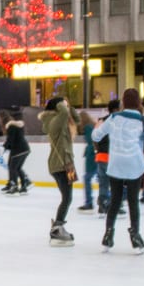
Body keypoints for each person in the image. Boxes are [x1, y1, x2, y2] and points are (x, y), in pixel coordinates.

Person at [93, 88, 144, 253]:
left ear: (123, 101)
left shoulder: (113, 118)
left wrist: (98, 126)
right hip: (134, 165)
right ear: (139, 102)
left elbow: (96, 136)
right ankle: (135, 237)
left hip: (116, 165)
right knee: (133, 201)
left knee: (115, 200)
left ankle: (108, 236)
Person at [40, 97, 80, 246]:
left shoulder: (61, 120)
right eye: (64, 104)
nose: (66, 106)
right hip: (59, 165)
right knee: (67, 197)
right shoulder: (53, 121)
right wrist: (63, 105)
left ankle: (58, 226)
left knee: (68, 197)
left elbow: (77, 119)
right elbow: (64, 113)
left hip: (68, 164)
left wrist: (70, 106)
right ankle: (57, 228)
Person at [94, 100, 121, 215]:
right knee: (116, 184)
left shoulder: (101, 121)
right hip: (113, 157)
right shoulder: (119, 121)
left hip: (101, 156)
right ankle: (113, 206)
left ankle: (102, 204)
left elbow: (95, 138)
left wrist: (98, 150)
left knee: (103, 182)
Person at [0, 109, 30, 195]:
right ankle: (24, 185)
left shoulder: (10, 126)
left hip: (19, 149)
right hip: (24, 149)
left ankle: (14, 186)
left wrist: (4, 147)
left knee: (13, 168)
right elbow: (12, 140)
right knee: (16, 168)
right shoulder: (15, 125)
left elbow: (10, 140)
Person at [78, 111, 98, 212]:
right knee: (102, 179)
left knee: (87, 178)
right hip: (96, 155)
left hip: (92, 156)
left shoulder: (87, 127)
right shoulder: (92, 125)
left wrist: (90, 153)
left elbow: (91, 142)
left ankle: (89, 202)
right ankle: (106, 201)